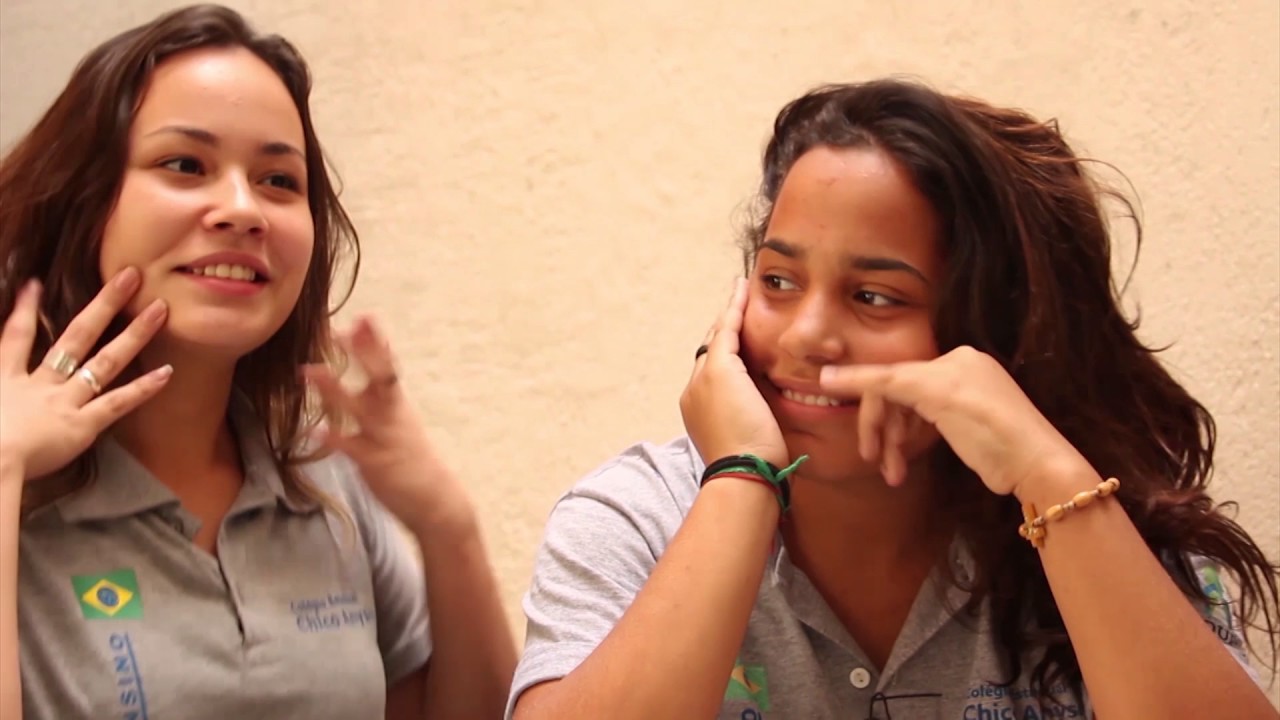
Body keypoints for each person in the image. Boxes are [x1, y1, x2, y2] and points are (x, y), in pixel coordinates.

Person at [508, 78, 1280, 719]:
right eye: (778, 280)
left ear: (993, 334)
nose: (807, 334)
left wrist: (1046, 471)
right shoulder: (634, 520)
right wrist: (742, 478)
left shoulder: (1102, 523)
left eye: (874, 296)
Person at [0, 5, 515, 718]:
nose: (243, 210)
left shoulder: (323, 478)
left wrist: (445, 522)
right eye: (185, 165)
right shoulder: (12, 476)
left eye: (279, 180)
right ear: (81, 204)